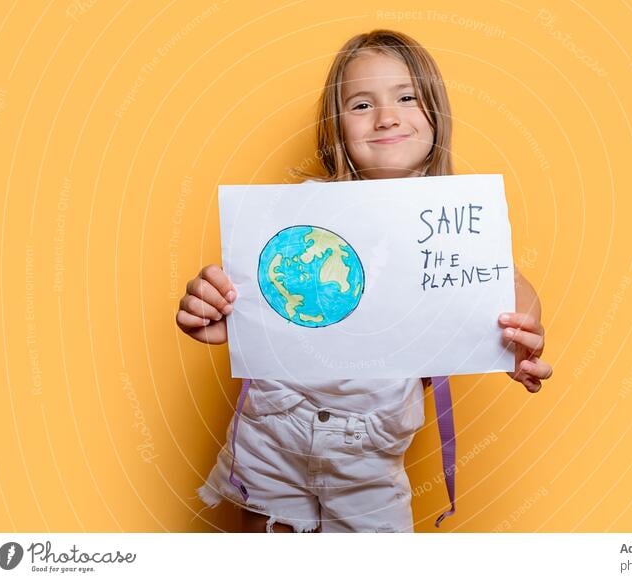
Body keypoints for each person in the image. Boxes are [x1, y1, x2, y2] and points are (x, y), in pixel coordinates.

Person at [177, 29, 553, 533]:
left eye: (406, 97)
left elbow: (509, 292)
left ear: (436, 118)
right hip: (272, 431)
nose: (387, 116)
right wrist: (220, 308)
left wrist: (517, 338)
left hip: (368, 454)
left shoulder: (454, 226)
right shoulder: (299, 211)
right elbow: (252, 289)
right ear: (336, 130)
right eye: (360, 104)